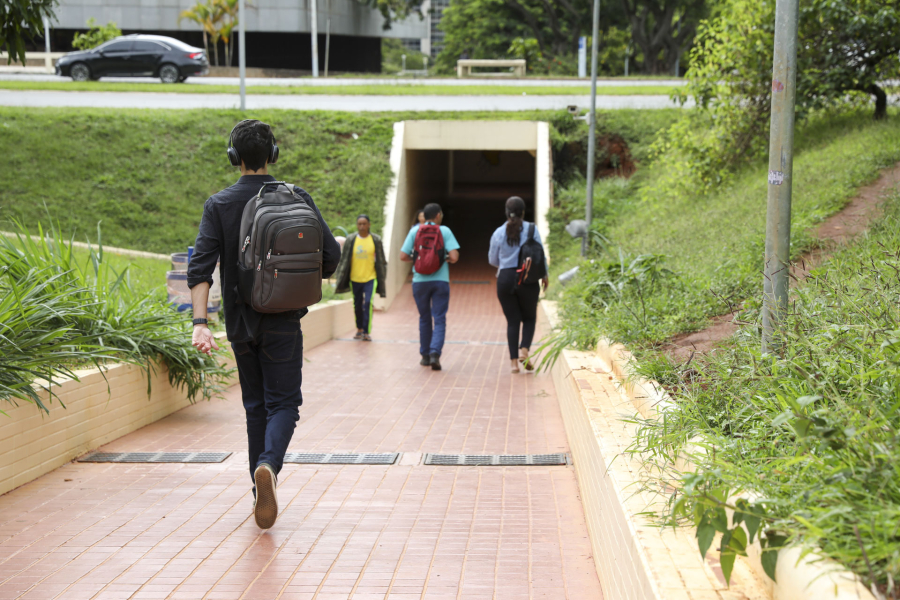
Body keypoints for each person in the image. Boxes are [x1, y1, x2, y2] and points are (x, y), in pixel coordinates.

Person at [187, 119, 341, 529]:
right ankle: (269, 466)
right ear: (273, 154)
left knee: (255, 406)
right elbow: (330, 255)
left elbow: (200, 268)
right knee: (285, 404)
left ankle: (259, 490)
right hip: (284, 321)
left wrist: (200, 322)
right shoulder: (296, 197)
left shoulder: (218, 204)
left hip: (241, 323)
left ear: (233, 157)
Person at [488, 196, 548, 373]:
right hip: (527, 277)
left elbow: (492, 260)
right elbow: (540, 254)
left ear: (506, 212)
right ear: (523, 212)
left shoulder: (498, 232)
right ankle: (524, 350)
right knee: (529, 317)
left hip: (505, 279)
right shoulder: (531, 229)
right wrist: (544, 274)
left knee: (512, 321)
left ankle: (514, 363)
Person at [400, 202, 460, 371]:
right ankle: (435, 353)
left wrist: (420, 258)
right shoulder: (444, 231)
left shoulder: (415, 231)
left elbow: (403, 256)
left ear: (424, 216)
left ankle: (425, 356)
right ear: (438, 215)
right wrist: (442, 258)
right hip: (440, 281)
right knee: (439, 318)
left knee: (424, 318)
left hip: (420, 282)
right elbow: (454, 257)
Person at [333, 214, 387, 341]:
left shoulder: (375, 240)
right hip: (355, 278)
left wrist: (382, 275)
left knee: (368, 303)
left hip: (370, 278)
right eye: (359, 224)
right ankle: (359, 329)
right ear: (357, 225)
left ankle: (366, 332)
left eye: (364, 224)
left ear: (369, 225)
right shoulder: (351, 240)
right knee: (357, 304)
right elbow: (344, 259)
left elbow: (381, 260)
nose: (362, 226)